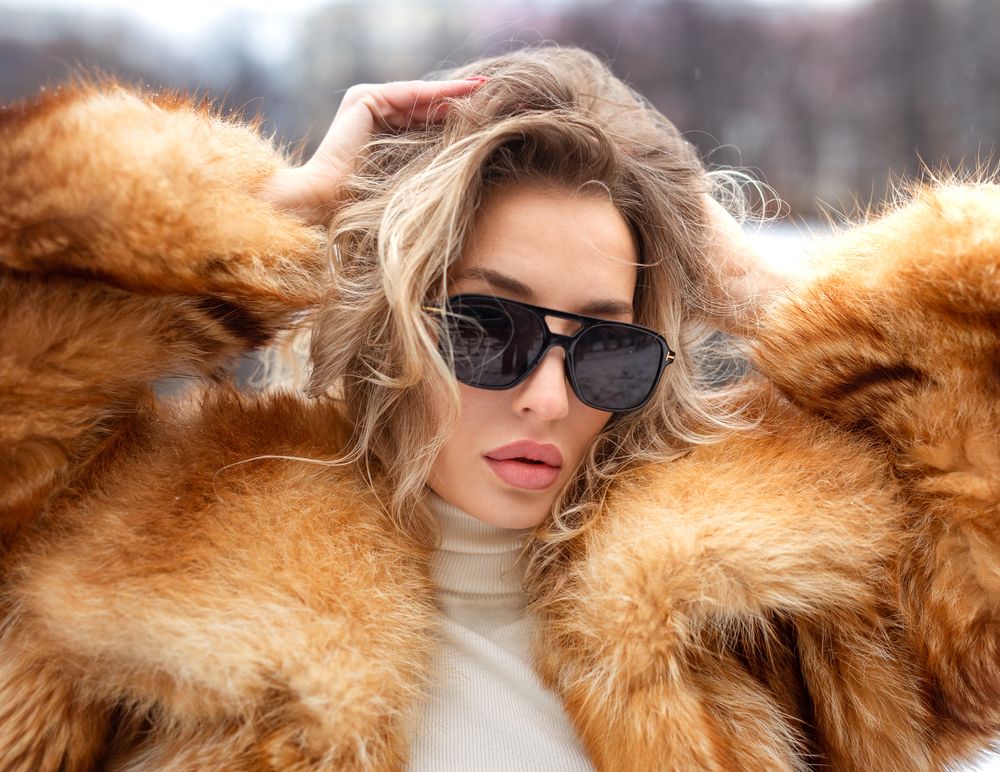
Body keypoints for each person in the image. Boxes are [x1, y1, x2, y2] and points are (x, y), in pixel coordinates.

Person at [0, 44, 998, 771]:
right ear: (389, 321)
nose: (548, 398)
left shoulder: (772, 613)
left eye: (608, 346)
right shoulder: (140, 554)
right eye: (485, 328)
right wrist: (274, 224)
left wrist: (758, 289)